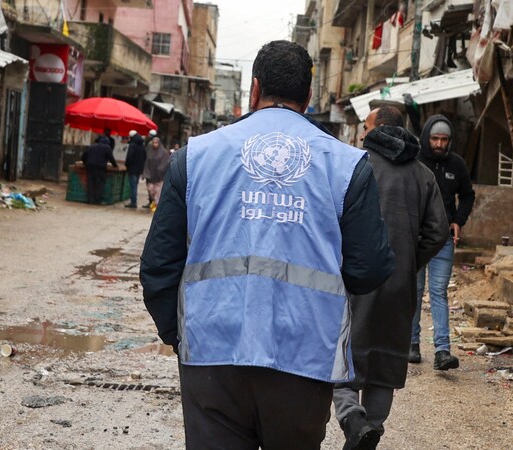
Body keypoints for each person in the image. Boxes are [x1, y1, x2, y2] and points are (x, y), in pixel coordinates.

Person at [140, 40, 395, 449]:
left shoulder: (196, 157)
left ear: (253, 90)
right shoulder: (346, 166)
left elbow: (157, 265)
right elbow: (370, 269)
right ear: (309, 97)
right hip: (305, 357)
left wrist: (180, 333)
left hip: (211, 353)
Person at [333, 107, 449, 450]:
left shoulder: (354, 164)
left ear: (374, 128)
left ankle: (352, 417)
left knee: (342, 352)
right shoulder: (423, 174)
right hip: (399, 282)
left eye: (365, 127)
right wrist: (410, 262)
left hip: (354, 279)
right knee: (385, 359)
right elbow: (438, 230)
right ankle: (371, 427)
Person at [410, 115, 476, 369]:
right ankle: (412, 344)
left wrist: (459, 219)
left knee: (438, 293)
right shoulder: (415, 160)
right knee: (414, 291)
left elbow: (468, 195)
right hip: (416, 239)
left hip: (444, 240)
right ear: (427, 137)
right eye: (435, 138)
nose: (439, 144)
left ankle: (442, 350)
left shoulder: (456, 165)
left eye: (444, 139)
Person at [81, 135, 118, 204]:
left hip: (90, 166)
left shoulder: (92, 146)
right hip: (100, 167)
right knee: (99, 184)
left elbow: (83, 156)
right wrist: (115, 165)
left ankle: (90, 200)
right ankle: (97, 200)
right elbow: (111, 158)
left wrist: (85, 163)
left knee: (90, 183)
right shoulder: (107, 148)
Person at [141, 137, 170, 209]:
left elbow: (165, 162)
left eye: (156, 143)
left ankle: (157, 205)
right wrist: (145, 172)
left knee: (157, 191)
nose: (155, 144)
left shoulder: (163, 152)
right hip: (150, 175)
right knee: (150, 190)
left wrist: (160, 170)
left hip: (159, 176)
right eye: (153, 142)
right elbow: (146, 162)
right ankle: (152, 202)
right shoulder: (149, 151)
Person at [124, 130, 147, 208]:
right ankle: (133, 201)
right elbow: (144, 157)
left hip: (132, 169)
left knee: (133, 186)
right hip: (139, 169)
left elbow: (129, 157)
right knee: (135, 185)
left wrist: (127, 165)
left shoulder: (132, 145)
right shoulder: (142, 145)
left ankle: (133, 202)